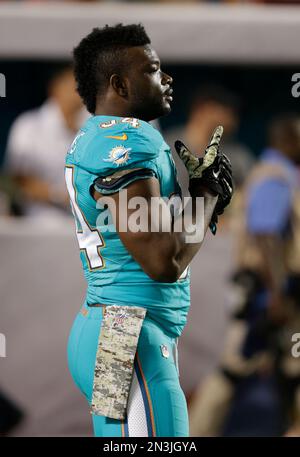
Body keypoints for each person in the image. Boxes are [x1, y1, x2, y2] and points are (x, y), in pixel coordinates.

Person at [65, 23, 233, 437]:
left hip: (115, 326)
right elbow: (162, 260)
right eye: (154, 69)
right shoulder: (127, 140)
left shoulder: (98, 134)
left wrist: (197, 199)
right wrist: (207, 196)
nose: (167, 78)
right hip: (128, 330)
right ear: (119, 84)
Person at [5, 64, 86, 219]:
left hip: (92, 223)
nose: (80, 93)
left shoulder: (94, 125)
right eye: (75, 86)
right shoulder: (28, 126)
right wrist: (59, 196)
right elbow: (18, 181)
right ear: (56, 88)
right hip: (43, 220)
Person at [164, 85, 255, 195]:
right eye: (226, 111)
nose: (232, 120)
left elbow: (255, 183)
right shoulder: (166, 145)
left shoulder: (236, 154)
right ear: (204, 109)